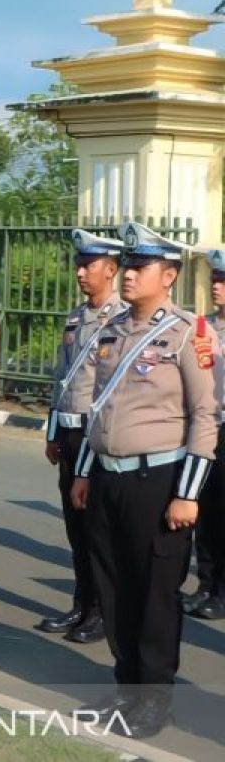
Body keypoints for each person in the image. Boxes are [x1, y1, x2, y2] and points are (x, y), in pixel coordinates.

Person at [68, 222, 219, 738]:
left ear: (169, 275)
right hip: (108, 479)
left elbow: (205, 415)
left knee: (155, 593)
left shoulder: (188, 333)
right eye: (127, 266)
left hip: (158, 483)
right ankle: (126, 684)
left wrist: (187, 492)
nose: (128, 275)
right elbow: (98, 410)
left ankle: (155, 697)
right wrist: (85, 471)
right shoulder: (111, 331)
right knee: (114, 587)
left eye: (140, 267)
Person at [36, 230, 125, 643]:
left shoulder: (121, 321)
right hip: (70, 435)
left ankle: (102, 612)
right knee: (74, 527)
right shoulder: (76, 317)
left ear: (110, 269)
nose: (80, 271)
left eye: (88, 265)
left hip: (96, 439)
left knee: (96, 530)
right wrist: (53, 432)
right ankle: (81, 604)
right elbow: (61, 379)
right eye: (78, 264)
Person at [185, 249, 225, 621]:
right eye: (215, 280)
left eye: (223, 281)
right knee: (206, 509)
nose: (217, 287)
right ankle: (206, 584)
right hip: (208, 425)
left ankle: (222, 592)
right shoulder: (203, 328)